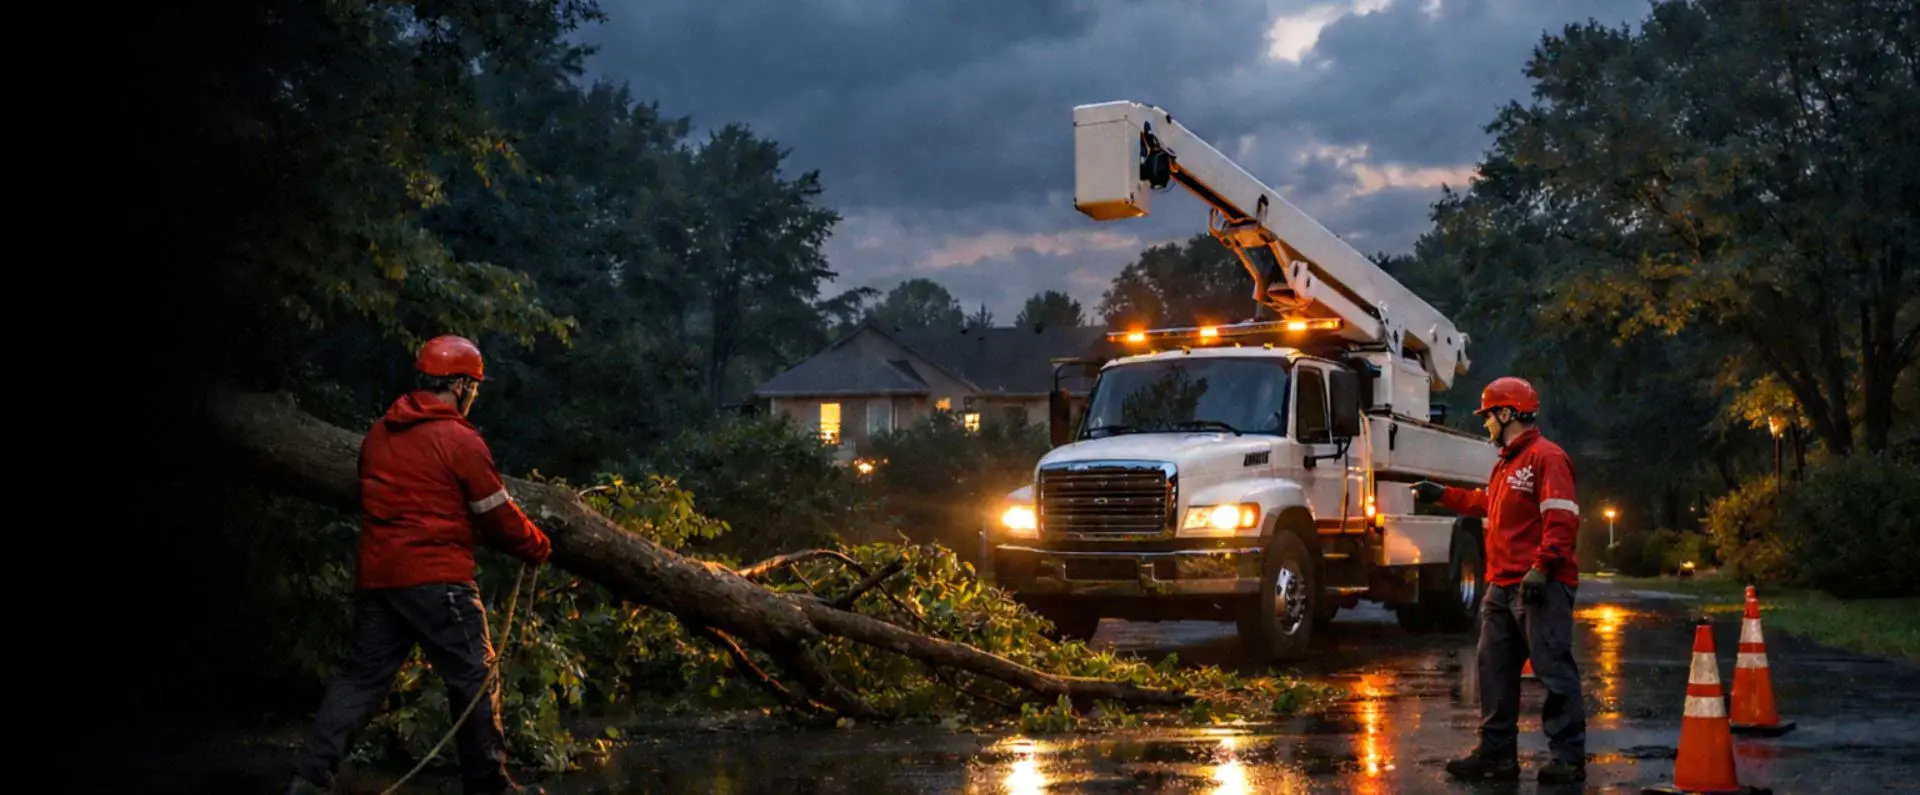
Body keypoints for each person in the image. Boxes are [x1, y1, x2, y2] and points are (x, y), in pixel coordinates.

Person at [286, 335, 552, 795]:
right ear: (462, 386)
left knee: (360, 679)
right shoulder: (459, 440)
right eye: (474, 389)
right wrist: (536, 545)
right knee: (474, 674)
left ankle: (308, 779)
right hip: (438, 579)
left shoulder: (378, 434)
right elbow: (496, 513)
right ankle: (488, 785)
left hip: (379, 579)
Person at [1411, 375, 1587, 785]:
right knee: (1494, 672)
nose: (1485, 424)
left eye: (1489, 416)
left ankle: (1568, 758)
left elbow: (1561, 519)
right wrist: (1442, 494)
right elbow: (1483, 503)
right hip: (1501, 585)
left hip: (1539, 586)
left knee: (1553, 670)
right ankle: (1496, 756)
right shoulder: (1506, 463)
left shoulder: (1548, 458)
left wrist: (1541, 568)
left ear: (1507, 413)